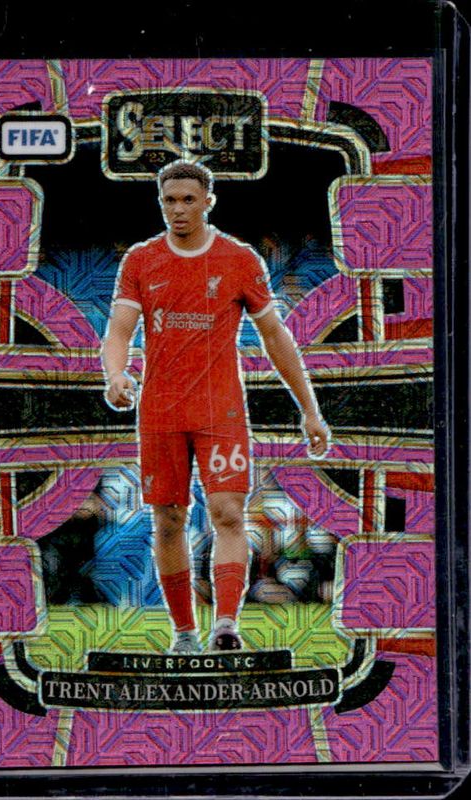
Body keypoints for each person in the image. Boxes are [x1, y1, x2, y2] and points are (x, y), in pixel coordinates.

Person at [102, 160, 329, 653]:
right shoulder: (141, 260)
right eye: (170, 200)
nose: (179, 209)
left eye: (188, 199)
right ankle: (184, 633)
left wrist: (309, 409)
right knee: (168, 521)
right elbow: (118, 331)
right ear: (160, 203)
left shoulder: (238, 259)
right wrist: (116, 373)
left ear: (208, 201)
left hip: (220, 410)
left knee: (228, 513)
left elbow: (275, 336)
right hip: (161, 411)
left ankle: (225, 624)